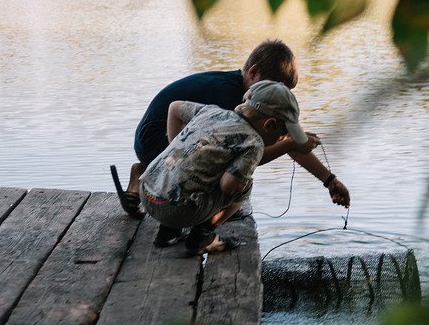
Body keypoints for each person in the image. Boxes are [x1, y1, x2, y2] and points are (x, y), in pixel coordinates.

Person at [112, 40, 350, 232]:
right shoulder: (228, 97)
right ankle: (195, 220)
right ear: (253, 72)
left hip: (159, 144)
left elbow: (290, 143)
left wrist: (329, 180)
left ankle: (144, 172)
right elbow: (259, 153)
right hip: (154, 138)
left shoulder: (253, 104)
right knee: (236, 172)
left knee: (232, 161)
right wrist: (174, 157)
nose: (279, 96)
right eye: (275, 87)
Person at [139, 80, 308, 255]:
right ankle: (202, 237)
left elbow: (174, 107)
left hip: (147, 193)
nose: (282, 139)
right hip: (177, 211)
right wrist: (238, 180)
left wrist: (176, 157)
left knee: (193, 175)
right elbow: (228, 187)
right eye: (283, 135)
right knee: (244, 186)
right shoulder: (254, 143)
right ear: (270, 125)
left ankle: (167, 233)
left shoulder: (211, 111)